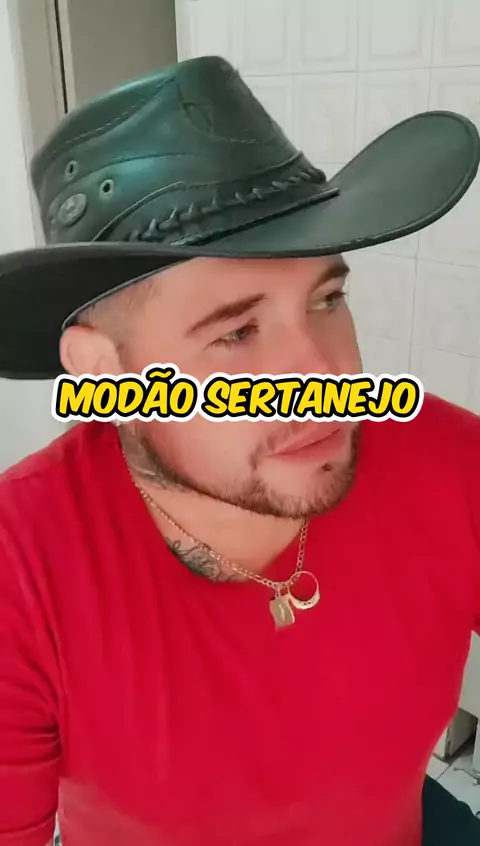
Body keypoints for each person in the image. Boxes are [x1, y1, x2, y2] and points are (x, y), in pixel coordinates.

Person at [0, 55, 479, 846]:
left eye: (327, 299)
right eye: (237, 332)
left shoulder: (447, 460)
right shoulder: (21, 566)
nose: (323, 377)